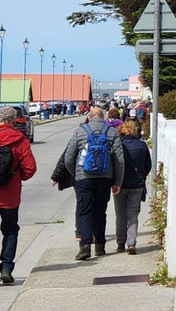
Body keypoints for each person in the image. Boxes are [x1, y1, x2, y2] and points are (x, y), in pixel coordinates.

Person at [63, 106, 125, 260]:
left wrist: (76, 174)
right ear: (103, 117)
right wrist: (117, 181)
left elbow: (68, 158)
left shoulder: (79, 131)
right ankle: (100, 246)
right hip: (105, 178)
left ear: (89, 117)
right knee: (100, 212)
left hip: (83, 178)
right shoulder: (112, 132)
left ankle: (85, 246)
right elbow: (119, 160)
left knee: (85, 211)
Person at [0, 106, 38, 286]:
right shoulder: (21, 140)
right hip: (10, 196)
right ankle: (6, 268)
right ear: (14, 121)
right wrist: (16, 178)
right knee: (10, 231)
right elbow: (30, 168)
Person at [112, 121, 152, 254]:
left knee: (120, 214)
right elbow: (148, 165)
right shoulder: (142, 145)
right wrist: (141, 176)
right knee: (133, 214)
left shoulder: (118, 146)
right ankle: (131, 243)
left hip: (120, 185)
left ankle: (120, 243)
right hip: (137, 185)